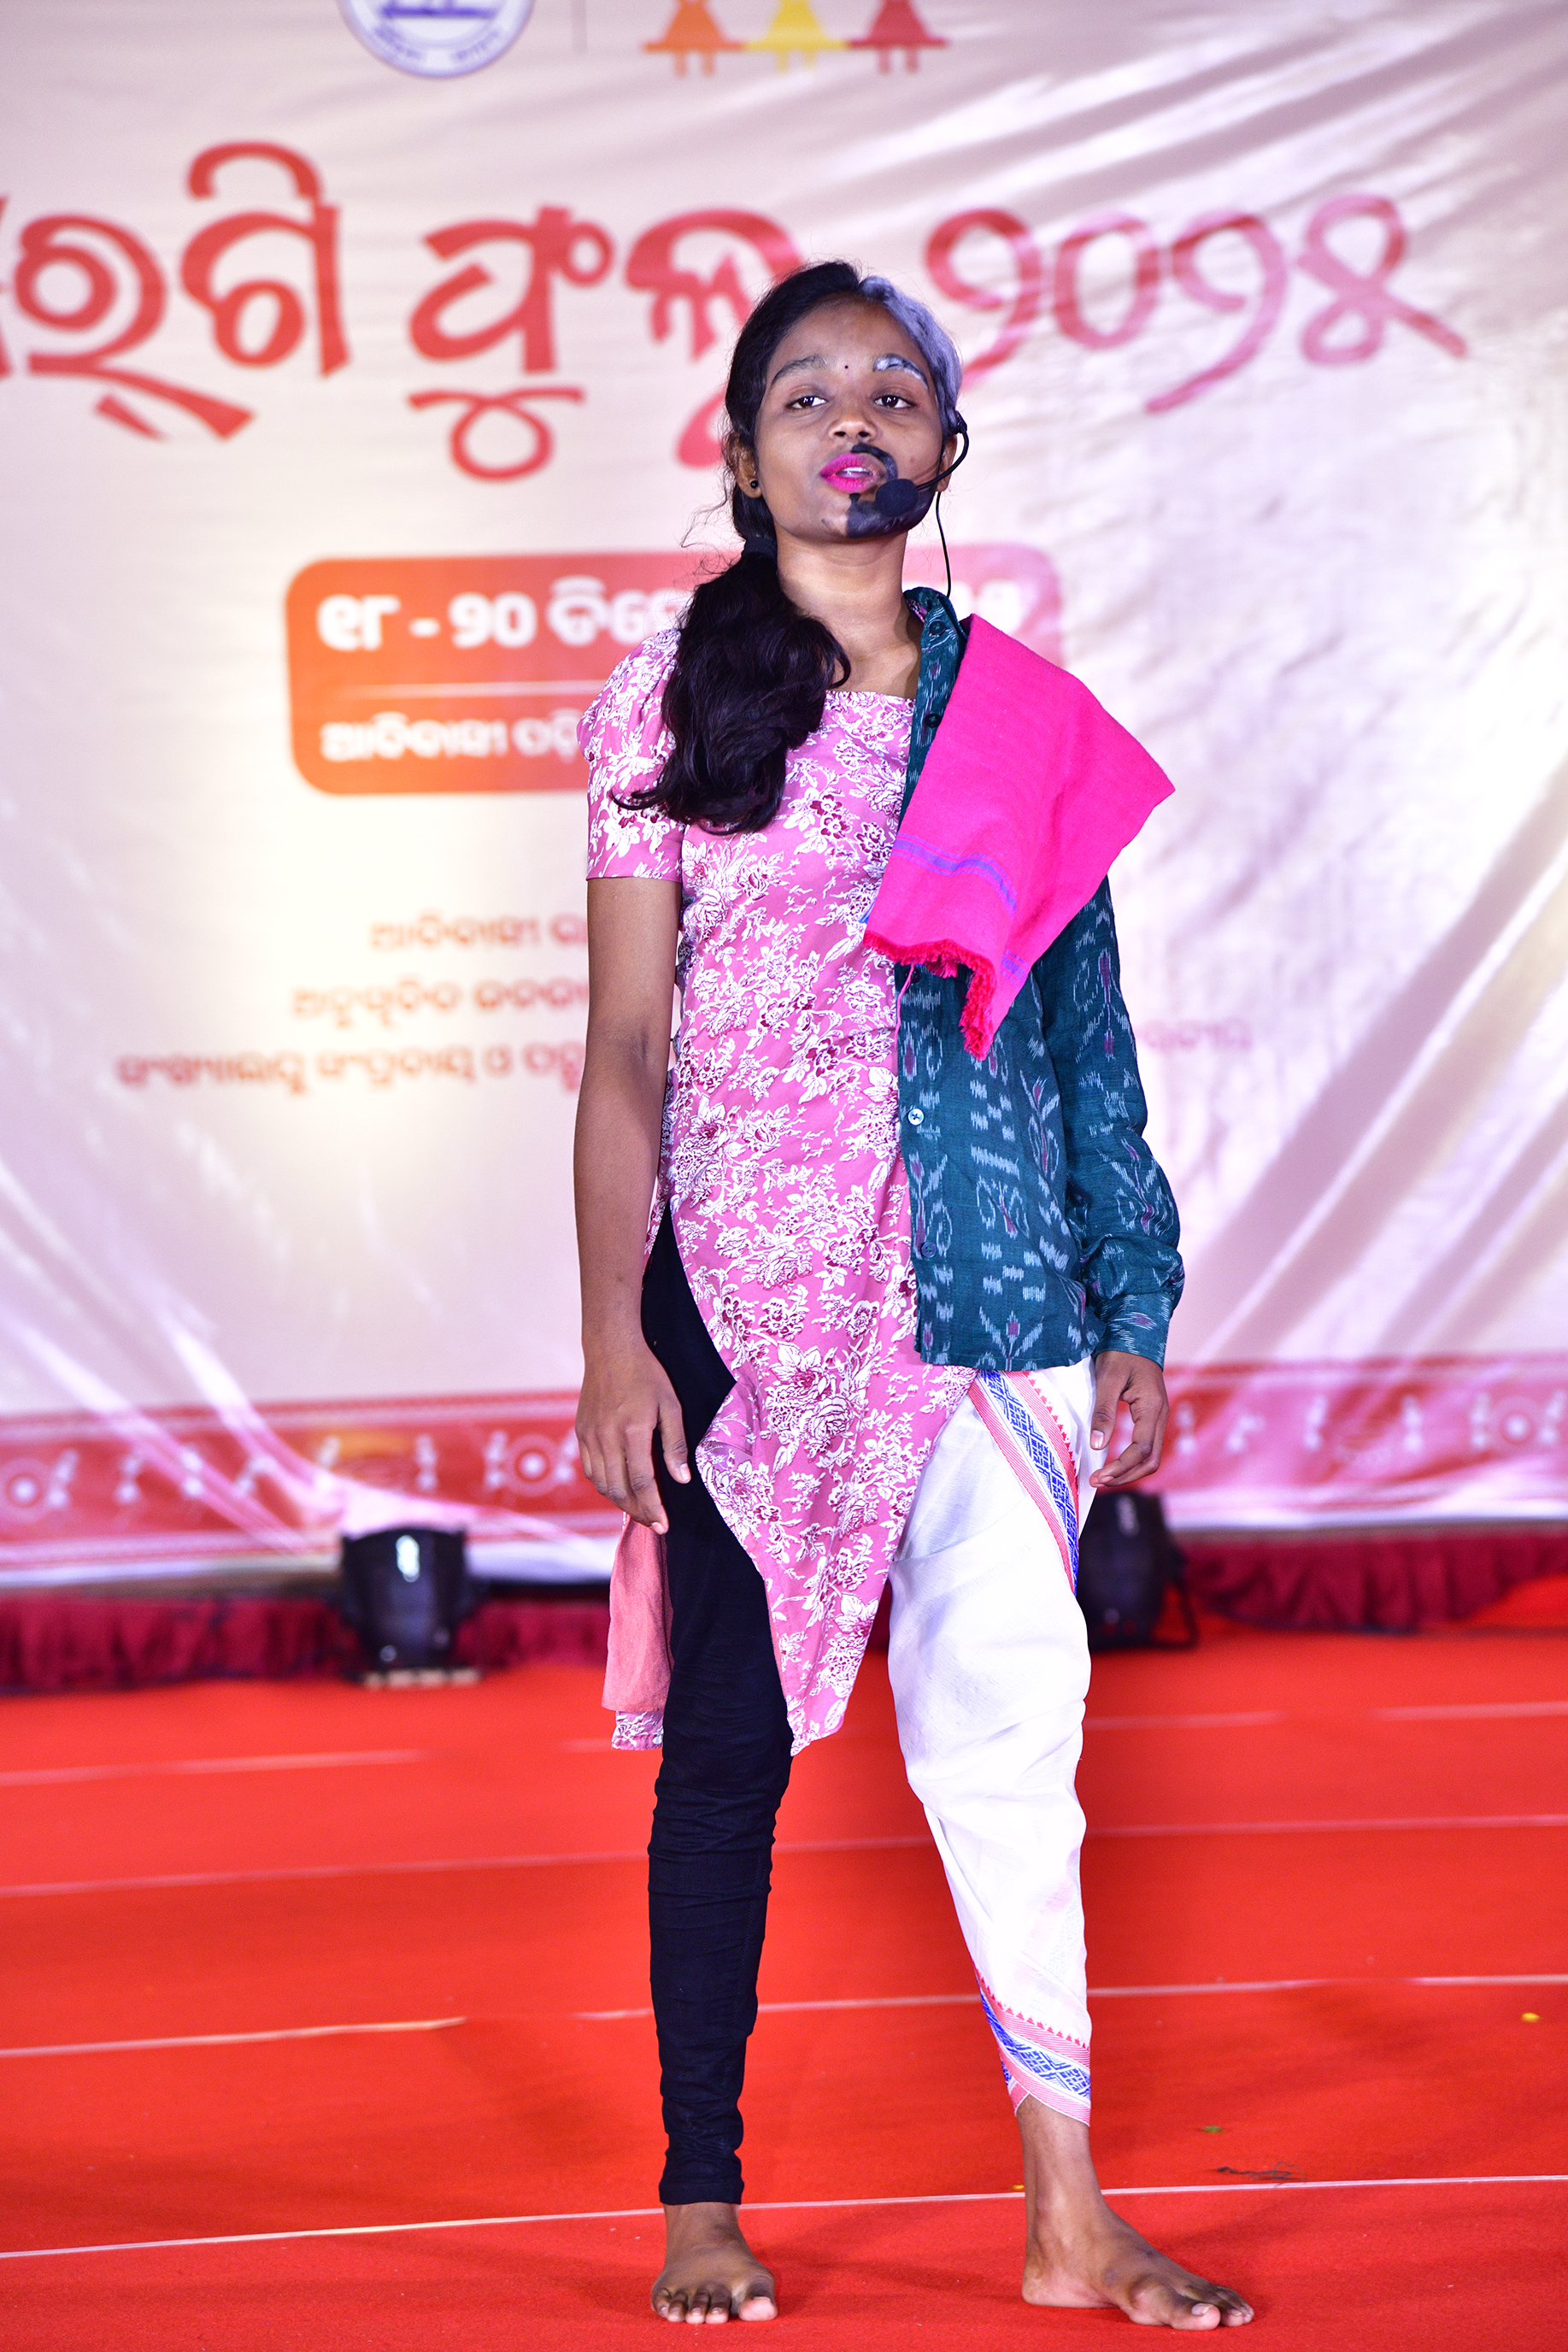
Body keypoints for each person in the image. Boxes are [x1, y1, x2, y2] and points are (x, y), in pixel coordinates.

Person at [573, 259, 1253, 2330]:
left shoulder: (1021, 724)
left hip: (995, 1294)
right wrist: (613, 1337)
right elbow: (625, 1049)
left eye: (892, 387)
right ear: (741, 452)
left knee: (1012, 1747)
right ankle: (703, 2191)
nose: (851, 417)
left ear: (949, 444)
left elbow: (1088, 1042)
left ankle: (1070, 2211)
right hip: (745, 1310)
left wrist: (1131, 1299)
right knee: (727, 1758)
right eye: (806, 392)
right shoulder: (668, 700)